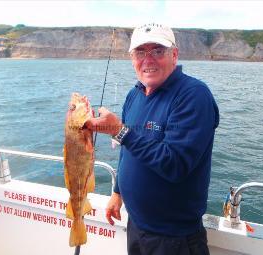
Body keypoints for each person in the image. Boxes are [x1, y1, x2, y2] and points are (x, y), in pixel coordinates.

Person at [86, 23, 219, 255]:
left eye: (157, 51)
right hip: (136, 225)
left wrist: (120, 130)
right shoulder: (134, 94)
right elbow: (126, 150)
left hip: (174, 239)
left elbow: (175, 164)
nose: (148, 59)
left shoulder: (194, 95)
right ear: (132, 58)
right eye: (140, 52)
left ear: (174, 54)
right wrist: (117, 193)